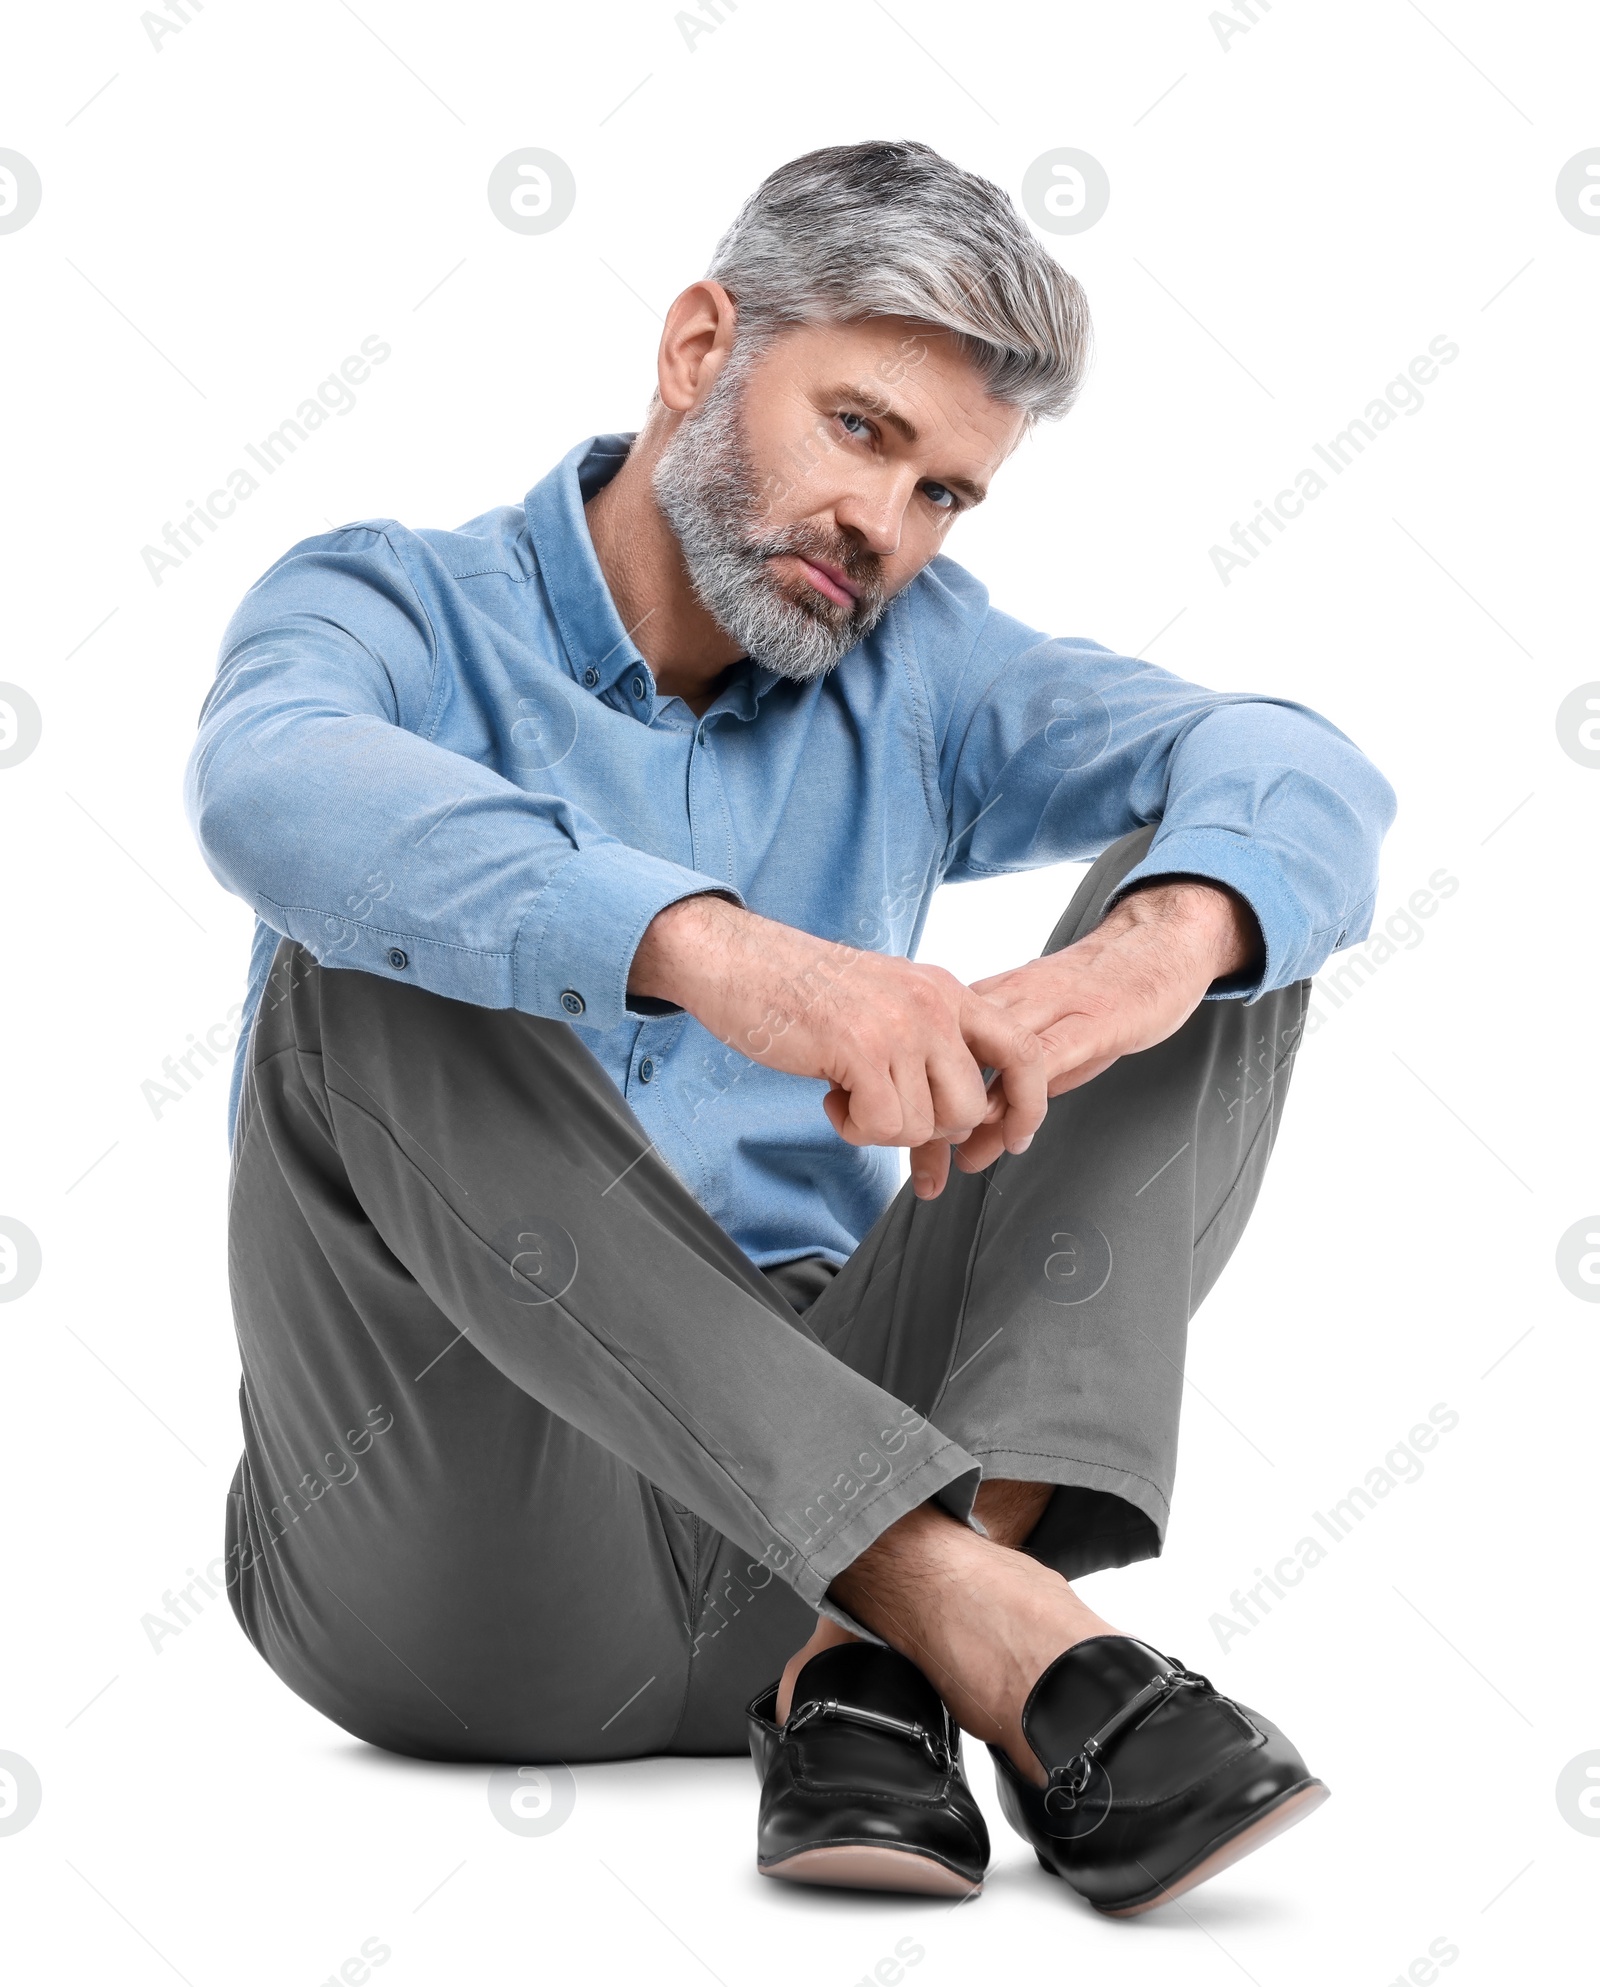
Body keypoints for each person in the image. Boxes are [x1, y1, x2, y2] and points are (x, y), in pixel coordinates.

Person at [185, 139, 1394, 1916]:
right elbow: (269, 790)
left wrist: (1138, 964)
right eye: (860, 431)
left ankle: (873, 1641)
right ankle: (973, 1614)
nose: (886, 531)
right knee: (362, 948)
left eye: (947, 497)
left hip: (809, 1541)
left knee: (1223, 911)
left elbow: (1297, 767)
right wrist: (724, 954)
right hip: (456, 1556)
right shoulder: (390, 606)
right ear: (699, 351)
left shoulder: (915, 665)